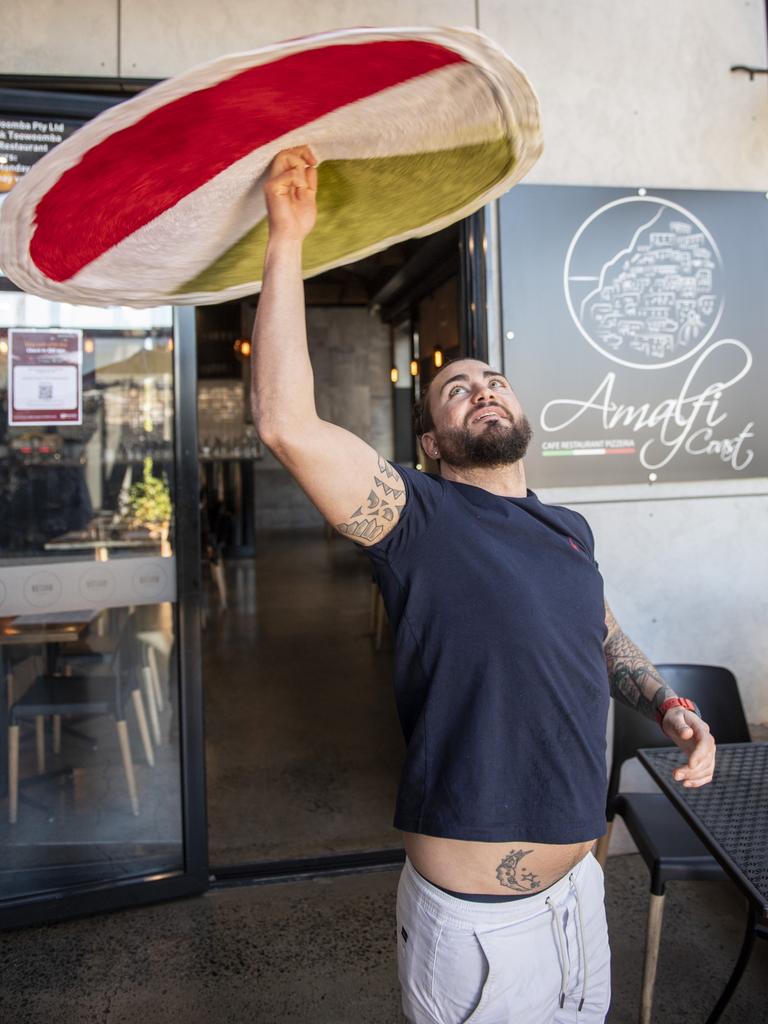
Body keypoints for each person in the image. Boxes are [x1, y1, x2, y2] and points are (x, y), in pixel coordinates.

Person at [250, 147, 717, 1024]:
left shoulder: (566, 529)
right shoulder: (414, 516)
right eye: (456, 390)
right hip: (476, 932)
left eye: (493, 381)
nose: (482, 391)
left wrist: (668, 707)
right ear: (431, 442)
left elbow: (602, 634)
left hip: (582, 894)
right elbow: (285, 421)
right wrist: (288, 239)